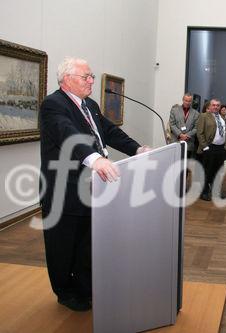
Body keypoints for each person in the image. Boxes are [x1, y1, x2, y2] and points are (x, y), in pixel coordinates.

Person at [40, 57, 150, 312]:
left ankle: (86, 287)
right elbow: (68, 134)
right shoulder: (53, 105)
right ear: (67, 80)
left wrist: (136, 148)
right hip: (63, 190)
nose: (91, 81)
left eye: (91, 76)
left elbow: (108, 132)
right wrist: (95, 159)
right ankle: (65, 292)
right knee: (63, 244)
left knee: (87, 242)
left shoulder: (89, 104)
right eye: (85, 77)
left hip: (93, 188)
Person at [196, 98, 226, 201]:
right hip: (210, 148)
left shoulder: (222, 117)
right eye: (214, 105)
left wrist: (225, 146)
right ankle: (204, 192)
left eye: (218, 105)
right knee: (207, 171)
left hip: (220, 148)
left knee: (218, 171)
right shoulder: (204, 116)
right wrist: (205, 147)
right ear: (209, 106)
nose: (216, 107)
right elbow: (199, 133)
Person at [168, 92, 199, 158]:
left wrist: (187, 135)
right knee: (174, 164)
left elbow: (196, 128)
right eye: (186, 100)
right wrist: (180, 135)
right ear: (183, 100)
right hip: (176, 142)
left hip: (188, 144)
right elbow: (172, 124)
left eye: (189, 101)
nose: (187, 103)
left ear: (191, 101)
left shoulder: (196, 113)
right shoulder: (174, 110)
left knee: (185, 166)